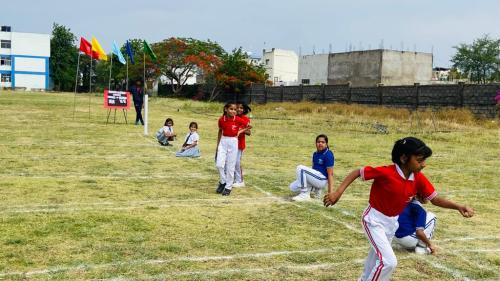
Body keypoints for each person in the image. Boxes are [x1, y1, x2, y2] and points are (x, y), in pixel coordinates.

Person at [323, 137, 474, 281]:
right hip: (373, 221)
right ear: (403, 158)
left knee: (375, 259)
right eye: (419, 160)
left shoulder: (418, 178)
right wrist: (337, 193)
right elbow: (357, 172)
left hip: (391, 223)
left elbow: (434, 199)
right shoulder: (387, 172)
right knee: (389, 262)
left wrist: (458, 206)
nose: (424, 164)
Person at [215, 102, 251, 196]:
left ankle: (228, 187)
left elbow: (249, 126)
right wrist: (218, 145)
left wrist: (240, 131)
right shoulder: (221, 120)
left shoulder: (238, 119)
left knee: (231, 166)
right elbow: (220, 131)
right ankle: (223, 181)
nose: (233, 111)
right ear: (226, 109)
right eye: (231, 109)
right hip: (223, 141)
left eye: (235, 109)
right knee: (219, 164)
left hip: (233, 142)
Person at [289, 134, 335, 201]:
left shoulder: (328, 155)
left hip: (322, 180)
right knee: (292, 187)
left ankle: (304, 194)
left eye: (323, 142)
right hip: (316, 178)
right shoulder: (315, 154)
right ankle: (315, 189)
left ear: (326, 144)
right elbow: (313, 170)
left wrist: (330, 193)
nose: (320, 144)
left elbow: (330, 174)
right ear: (316, 143)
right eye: (318, 142)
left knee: (300, 168)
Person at [232, 103, 252, 188]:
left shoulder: (245, 119)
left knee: (237, 162)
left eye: (241, 108)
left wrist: (240, 130)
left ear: (244, 110)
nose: (239, 109)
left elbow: (249, 132)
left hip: (239, 143)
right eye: (238, 108)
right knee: (230, 162)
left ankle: (240, 181)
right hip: (230, 143)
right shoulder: (232, 117)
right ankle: (233, 178)